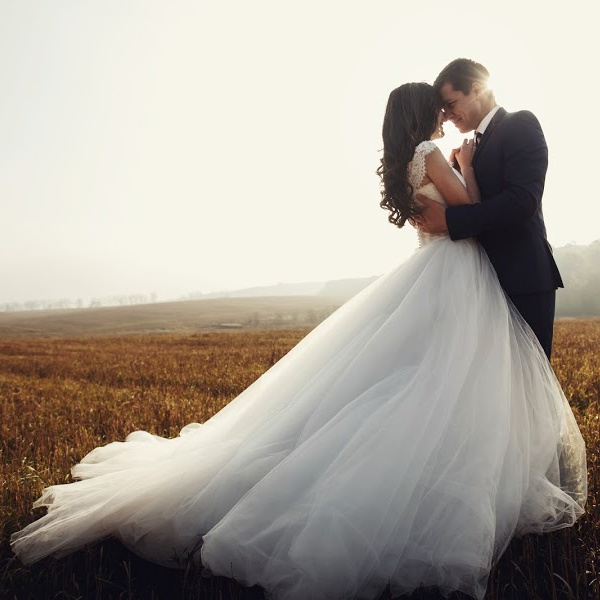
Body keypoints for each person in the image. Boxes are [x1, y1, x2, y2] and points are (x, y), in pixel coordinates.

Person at [11, 82, 587, 600]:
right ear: (423, 115)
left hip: (439, 274)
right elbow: (470, 209)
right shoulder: (436, 153)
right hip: (456, 277)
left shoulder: (405, 160)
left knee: (418, 380)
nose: (446, 116)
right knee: (442, 383)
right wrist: (465, 162)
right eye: (438, 109)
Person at [415, 58, 562, 359]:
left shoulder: (520, 124)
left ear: (478, 88)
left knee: (528, 384)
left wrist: (450, 220)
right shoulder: (467, 149)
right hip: (478, 284)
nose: (445, 115)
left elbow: (522, 200)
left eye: (451, 103)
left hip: (522, 278)